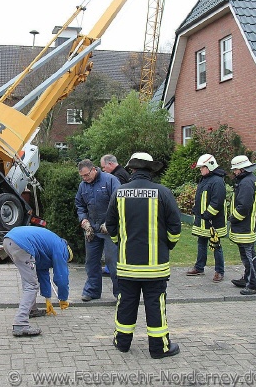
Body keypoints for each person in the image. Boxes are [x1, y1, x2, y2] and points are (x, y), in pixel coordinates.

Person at [106, 152, 181, 358]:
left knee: (126, 303)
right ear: (150, 171)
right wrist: (168, 246)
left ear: (131, 170)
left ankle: (122, 343)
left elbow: (110, 226)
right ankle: (159, 348)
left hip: (127, 266)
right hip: (155, 268)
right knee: (155, 306)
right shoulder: (163, 193)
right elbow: (175, 227)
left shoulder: (119, 193)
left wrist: (119, 243)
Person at [3, 226, 72, 336]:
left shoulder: (49, 244)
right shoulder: (61, 248)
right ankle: (20, 323)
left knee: (29, 279)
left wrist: (47, 298)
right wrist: (63, 298)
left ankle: (32, 309)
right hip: (22, 244)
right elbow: (61, 276)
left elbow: (42, 273)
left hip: (9, 240)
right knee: (31, 285)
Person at [75, 158, 120, 301]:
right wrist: (84, 220)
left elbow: (120, 202)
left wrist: (110, 223)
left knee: (112, 261)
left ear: (94, 169)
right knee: (91, 261)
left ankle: (120, 293)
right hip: (92, 229)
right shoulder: (83, 186)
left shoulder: (110, 180)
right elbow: (80, 205)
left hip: (109, 230)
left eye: (87, 175)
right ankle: (92, 291)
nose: (85, 178)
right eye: (82, 176)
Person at [186, 154, 227, 282]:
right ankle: (199, 267)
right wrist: (196, 210)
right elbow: (201, 198)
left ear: (209, 166)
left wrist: (207, 215)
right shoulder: (205, 179)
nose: (200, 169)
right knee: (201, 243)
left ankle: (219, 271)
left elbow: (217, 202)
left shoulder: (217, 181)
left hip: (213, 221)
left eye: (202, 167)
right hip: (203, 220)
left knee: (216, 246)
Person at [229, 155, 256, 295]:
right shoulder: (250, 180)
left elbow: (243, 207)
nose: (234, 172)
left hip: (245, 227)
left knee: (249, 256)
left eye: (235, 169)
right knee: (247, 255)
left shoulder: (246, 183)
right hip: (246, 225)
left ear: (241, 169)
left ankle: (252, 284)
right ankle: (247, 278)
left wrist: (232, 218)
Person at [100, 154, 131, 275]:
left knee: (114, 243)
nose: (103, 170)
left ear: (110, 164)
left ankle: (113, 268)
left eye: (104, 167)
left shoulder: (117, 176)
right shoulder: (122, 173)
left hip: (118, 215)